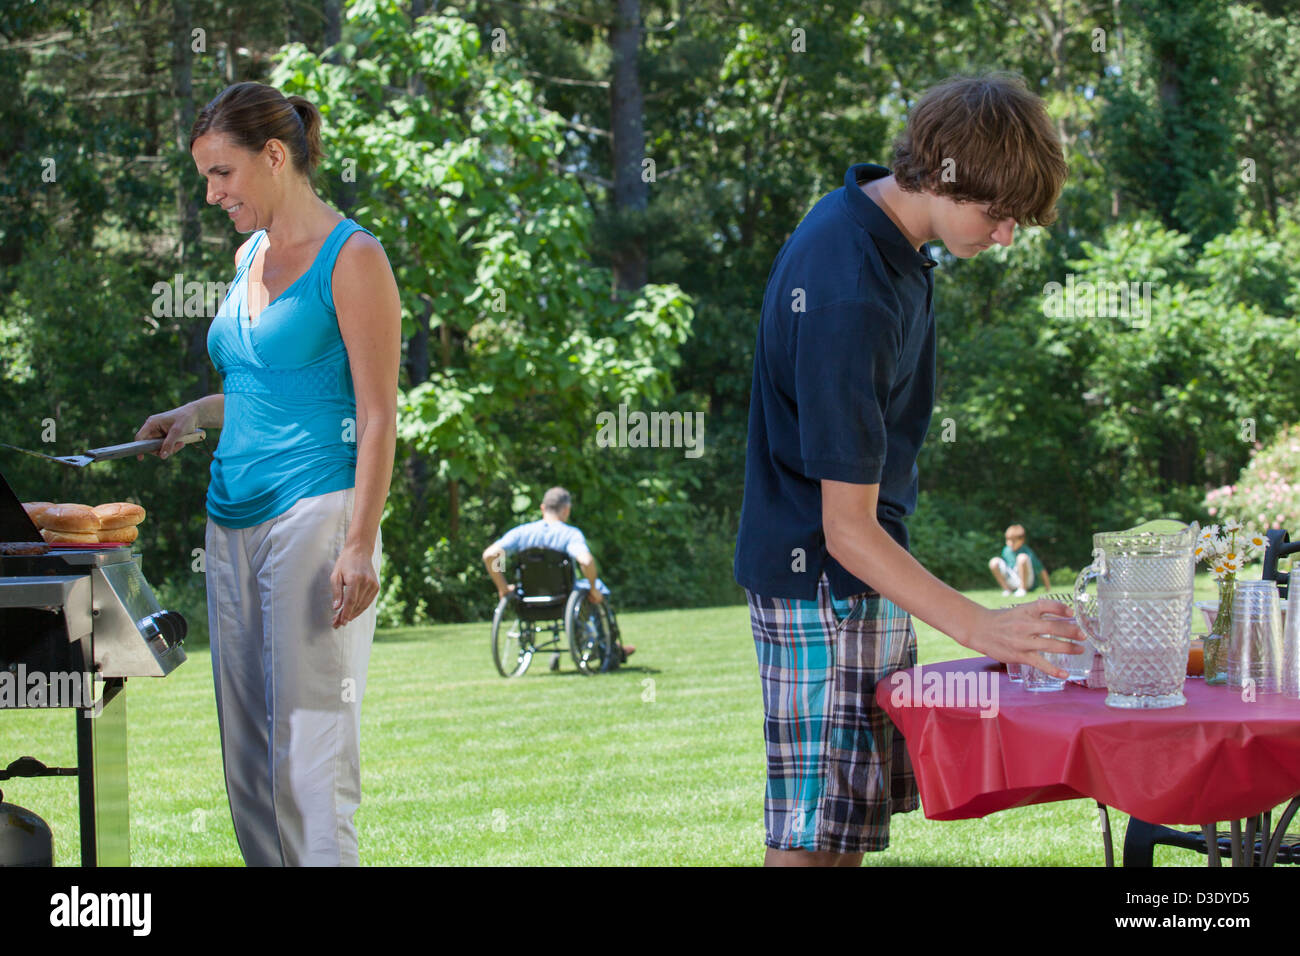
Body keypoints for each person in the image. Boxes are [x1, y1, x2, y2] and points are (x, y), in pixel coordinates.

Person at [733, 73, 1086, 867]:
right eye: (996, 215)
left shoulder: (884, 238)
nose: (1005, 238)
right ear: (941, 170)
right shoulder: (849, 286)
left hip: (857, 581)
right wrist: (981, 625)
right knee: (809, 837)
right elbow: (843, 527)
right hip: (825, 585)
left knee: (842, 831)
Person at [135, 82, 401, 866]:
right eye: (206, 178)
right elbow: (264, 385)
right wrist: (195, 415)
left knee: (309, 753)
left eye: (222, 174)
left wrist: (359, 544)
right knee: (249, 759)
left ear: (274, 156)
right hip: (232, 519)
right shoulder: (251, 253)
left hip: (316, 515)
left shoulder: (352, 258)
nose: (212, 194)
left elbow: (377, 413)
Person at [482, 487, 634, 667]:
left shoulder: (522, 532)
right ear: (566, 510)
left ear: (542, 508)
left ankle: (596, 642)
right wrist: (593, 588)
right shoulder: (569, 534)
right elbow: (585, 561)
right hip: (565, 597)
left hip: (530, 598)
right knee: (598, 589)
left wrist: (503, 586)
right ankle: (606, 647)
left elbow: (491, 555)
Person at [990, 524, 1052, 596]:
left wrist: (1048, 588)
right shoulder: (1006, 550)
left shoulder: (1027, 551)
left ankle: (1022, 589)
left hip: (1028, 582)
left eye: (1013, 541)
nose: (1010, 543)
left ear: (1022, 540)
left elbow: (1041, 570)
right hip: (1012, 579)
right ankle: (1007, 590)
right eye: (1008, 540)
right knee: (994, 562)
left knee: (1022, 558)